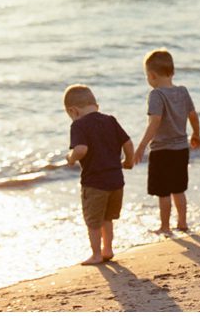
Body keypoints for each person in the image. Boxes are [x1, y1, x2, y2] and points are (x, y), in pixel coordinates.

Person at [64, 84, 135, 265]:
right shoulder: (110, 120)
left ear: (73, 111)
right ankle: (108, 249)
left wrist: (71, 158)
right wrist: (128, 161)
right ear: (96, 105)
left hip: (95, 183)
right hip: (116, 181)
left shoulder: (78, 125)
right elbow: (128, 143)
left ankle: (96, 254)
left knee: (93, 221)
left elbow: (81, 149)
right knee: (107, 218)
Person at [134, 49, 200, 234]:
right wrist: (196, 134)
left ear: (152, 75)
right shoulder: (182, 91)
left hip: (161, 151)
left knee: (163, 192)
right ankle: (182, 223)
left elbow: (154, 122)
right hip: (181, 149)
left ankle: (165, 227)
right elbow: (193, 115)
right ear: (172, 71)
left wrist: (141, 146)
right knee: (178, 190)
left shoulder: (156, 95)